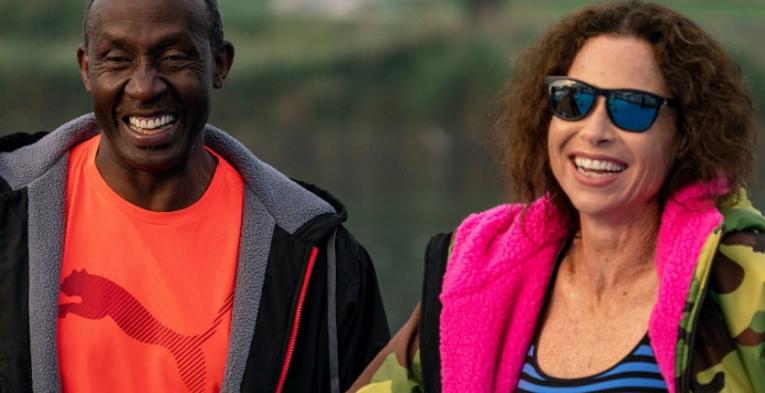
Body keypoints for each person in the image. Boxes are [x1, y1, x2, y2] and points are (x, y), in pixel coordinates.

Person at [351, 1, 763, 392]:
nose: (594, 130)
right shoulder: (477, 272)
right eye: (574, 99)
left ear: (686, 134)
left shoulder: (742, 276)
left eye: (633, 107)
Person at [0, 0, 390, 391]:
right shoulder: (9, 214)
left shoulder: (321, 257)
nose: (144, 87)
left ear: (220, 65)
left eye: (173, 58)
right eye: (117, 60)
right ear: (87, 69)